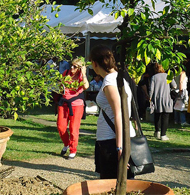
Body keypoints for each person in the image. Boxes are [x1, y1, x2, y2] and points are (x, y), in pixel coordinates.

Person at [90, 45, 136, 179]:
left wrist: (119, 147)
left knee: (111, 182)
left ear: (95, 63)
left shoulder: (110, 81)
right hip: (114, 138)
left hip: (112, 140)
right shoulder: (117, 78)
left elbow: (119, 114)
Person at [57, 58, 89, 159]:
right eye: (71, 65)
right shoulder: (66, 73)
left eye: (75, 66)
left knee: (74, 129)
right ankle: (66, 144)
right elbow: (60, 86)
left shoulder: (81, 76)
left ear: (79, 68)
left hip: (77, 105)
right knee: (61, 127)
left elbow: (86, 87)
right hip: (64, 103)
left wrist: (84, 73)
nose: (72, 68)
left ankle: (73, 149)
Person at [149, 63, 173, 140]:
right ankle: (163, 134)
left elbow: (151, 90)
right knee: (165, 116)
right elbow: (174, 85)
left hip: (157, 98)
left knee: (157, 115)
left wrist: (150, 98)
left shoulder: (154, 77)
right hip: (166, 98)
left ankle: (157, 131)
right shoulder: (168, 75)